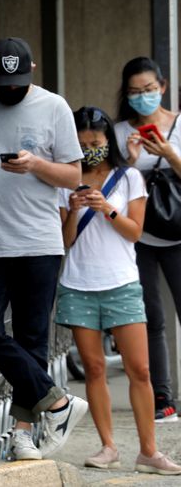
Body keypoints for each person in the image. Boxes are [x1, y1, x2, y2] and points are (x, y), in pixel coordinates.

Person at [0, 37, 88, 461]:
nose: (8, 89)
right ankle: (59, 402)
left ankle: (24, 434)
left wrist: (35, 165)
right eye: (1, 81)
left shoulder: (54, 106)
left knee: (31, 340)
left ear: (30, 71)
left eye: (16, 82)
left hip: (38, 242)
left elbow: (72, 176)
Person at [56, 106, 181, 474]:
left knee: (139, 369)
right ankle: (108, 446)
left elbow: (135, 232)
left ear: (108, 140)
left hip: (122, 283)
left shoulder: (128, 178)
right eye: (81, 143)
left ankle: (149, 451)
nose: (90, 148)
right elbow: (63, 242)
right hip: (78, 284)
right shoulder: (66, 179)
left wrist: (107, 209)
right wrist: (76, 210)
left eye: (95, 142)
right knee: (93, 369)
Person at [114, 56, 181, 423]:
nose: (143, 98)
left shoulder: (179, 126)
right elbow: (110, 183)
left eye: (150, 90)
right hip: (138, 237)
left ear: (163, 87)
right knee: (149, 318)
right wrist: (129, 157)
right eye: (136, 92)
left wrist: (169, 153)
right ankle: (163, 399)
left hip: (179, 235)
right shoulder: (121, 130)